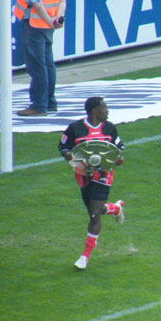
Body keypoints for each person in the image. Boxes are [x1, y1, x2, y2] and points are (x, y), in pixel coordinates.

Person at [58, 97, 126, 270]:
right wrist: (68, 156)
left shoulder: (110, 128)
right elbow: (63, 146)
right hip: (83, 175)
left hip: (103, 174)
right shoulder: (75, 128)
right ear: (95, 110)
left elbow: (119, 148)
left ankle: (85, 256)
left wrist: (119, 159)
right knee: (94, 211)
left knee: (94, 215)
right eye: (105, 108)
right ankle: (115, 209)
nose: (107, 111)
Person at [13, 0, 66, 116]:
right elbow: (62, 1)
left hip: (35, 25)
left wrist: (49, 21)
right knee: (48, 64)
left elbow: (35, 3)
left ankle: (38, 105)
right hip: (48, 26)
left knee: (37, 66)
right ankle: (50, 102)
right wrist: (56, 19)